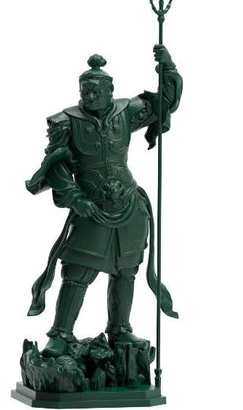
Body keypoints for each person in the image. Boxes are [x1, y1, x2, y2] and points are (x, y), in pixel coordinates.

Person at [26, 45, 183, 357]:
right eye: (85, 91)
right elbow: (56, 166)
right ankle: (61, 334)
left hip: (129, 204)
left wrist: (167, 67)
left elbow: (164, 103)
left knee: (126, 270)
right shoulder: (65, 121)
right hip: (91, 206)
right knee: (77, 271)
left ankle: (120, 329)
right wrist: (75, 198)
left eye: (97, 91)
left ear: (111, 91)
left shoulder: (126, 112)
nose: (91, 95)